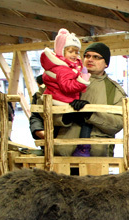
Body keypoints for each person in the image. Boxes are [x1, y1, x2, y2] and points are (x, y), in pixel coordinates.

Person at [30, 42, 126, 157]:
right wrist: (65, 117)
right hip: (61, 153)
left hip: (96, 156)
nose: (90, 60)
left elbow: (118, 124)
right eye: (87, 56)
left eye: (96, 57)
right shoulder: (61, 78)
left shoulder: (114, 90)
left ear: (106, 63)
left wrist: (90, 115)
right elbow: (40, 110)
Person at [40, 28, 93, 156]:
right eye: (70, 51)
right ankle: (83, 147)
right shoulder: (63, 69)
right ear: (61, 51)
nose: (74, 55)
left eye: (76, 52)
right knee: (83, 120)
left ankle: (82, 146)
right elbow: (67, 87)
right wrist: (82, 81)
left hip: (64, 100)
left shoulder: (70, 67)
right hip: (62, 101)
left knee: (83, 120)